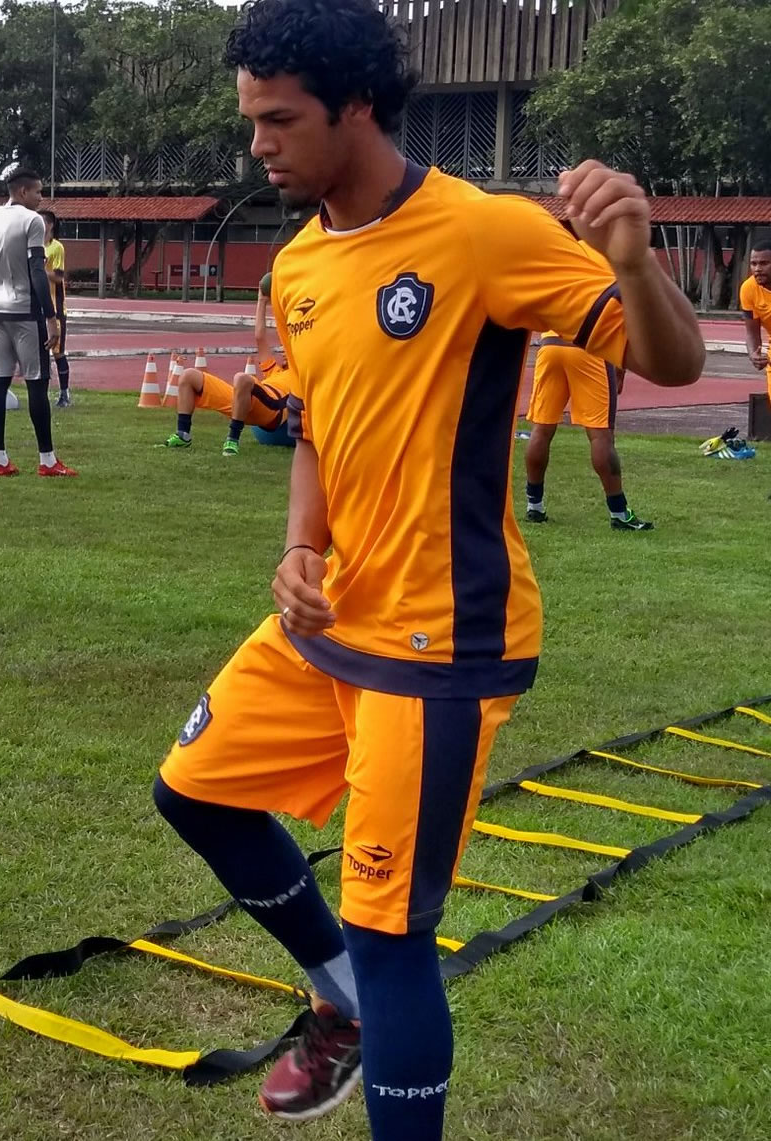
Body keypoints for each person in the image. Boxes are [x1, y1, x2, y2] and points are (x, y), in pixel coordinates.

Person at [153, 3, 702, 1138]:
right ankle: (339, 995)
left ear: (357, 106)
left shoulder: (483, 231)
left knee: (392, 927)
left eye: (279, 119)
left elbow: (675, 360)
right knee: (194, 790)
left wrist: (635, 262)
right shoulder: (300, 262)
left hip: (439, 640)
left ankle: (368, 992)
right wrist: (299, 547)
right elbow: (315, 429)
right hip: (328, 619)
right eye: (252, 119)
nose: (258, 144)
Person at [0, 169, 75, 477]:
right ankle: (48, 460)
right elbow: (36, 271)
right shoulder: (32, 221)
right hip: (25, 312)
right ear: (22, 192)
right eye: (38, 192)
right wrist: (51, 317)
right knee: (37, 383)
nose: (41, 198)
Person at [523, 337, 652, 530]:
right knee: (601, 436)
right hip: (590, 347)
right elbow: (620, 323)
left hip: (550, 346)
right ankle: (619, 513)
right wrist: (620, 366)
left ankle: (534, 506)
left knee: (541, 430)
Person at [162, 274, 291, 455]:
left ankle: (232, 439)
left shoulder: (303, 375)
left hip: (273, 409)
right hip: (244, 400)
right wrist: (262, 301)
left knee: (242, 378)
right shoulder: (274, 370)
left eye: (289, 350)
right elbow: (260, 337)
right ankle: (183, 435)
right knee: (188, 376)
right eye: (284, 350)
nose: (284, 351)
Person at [39, 208, 71, 406]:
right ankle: (40, 394)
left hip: (55, 308)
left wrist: (40, 272)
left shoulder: (56, 247)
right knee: (39, 351)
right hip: (37, 308)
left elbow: (59, 276)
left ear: (50, 225)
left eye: (41, 221)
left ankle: (64, 393)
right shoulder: (32, 246)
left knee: (57, 352)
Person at [740, 239, 771, 401]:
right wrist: (753, 354)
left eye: (764, 263)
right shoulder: (748, 289)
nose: (757, 269)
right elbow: (752, 332)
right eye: (754, 264)